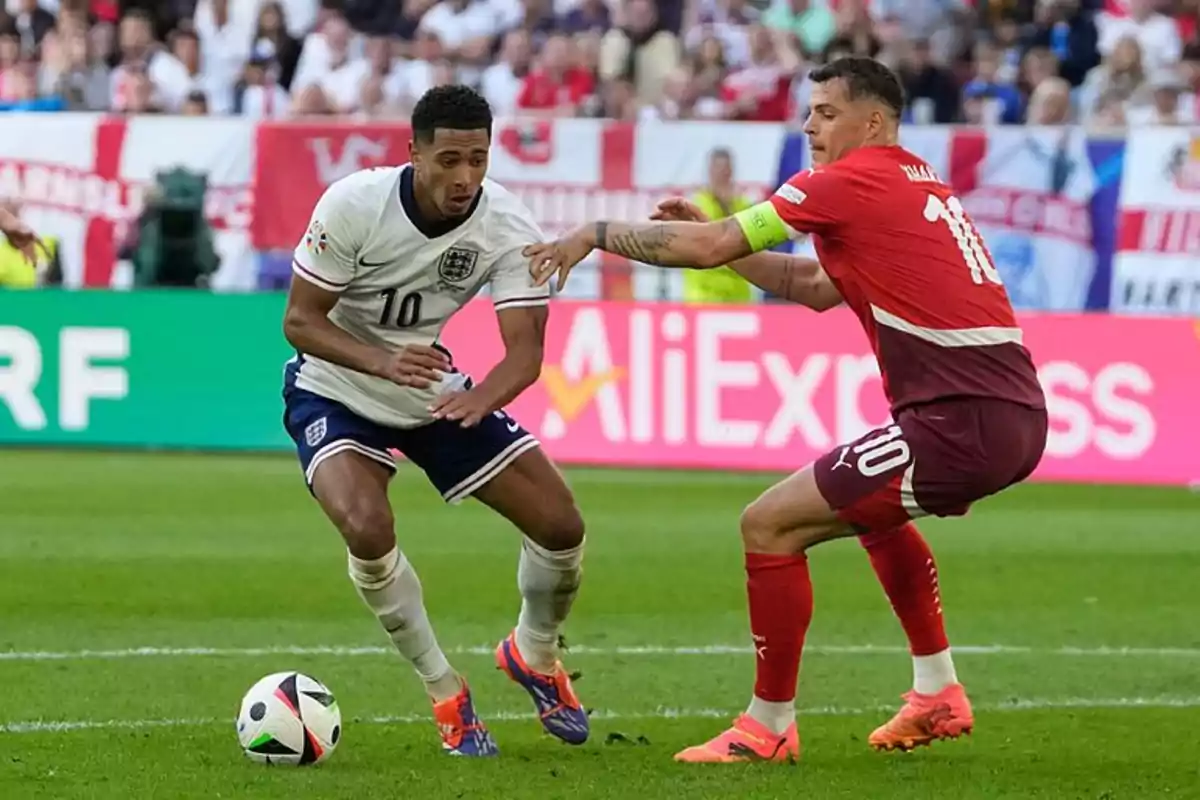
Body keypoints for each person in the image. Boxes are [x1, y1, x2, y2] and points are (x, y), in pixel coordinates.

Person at [525, 56, 1047, 763]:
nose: (810, 125)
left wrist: (593, 232)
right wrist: (726, 255)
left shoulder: (850, 180)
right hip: (1005, 412)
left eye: (827, 113)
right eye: (809, 112)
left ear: (873, 121)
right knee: (873, 514)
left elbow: (711, 242)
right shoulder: (912, 182)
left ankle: (767, 727)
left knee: (768, 525)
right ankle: (936, 691)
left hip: (962, 419)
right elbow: (812, 283)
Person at [281, 85, 589, 758]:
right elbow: (299, 322)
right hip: (334, 387)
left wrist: (485, 399)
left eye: (478, 159)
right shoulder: (353, 205)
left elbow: (526, 355)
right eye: (449, 159)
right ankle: (445, 689)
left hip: (431, 390)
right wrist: (381, 362)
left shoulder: (507, 224)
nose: (465, 177)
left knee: (562, 526)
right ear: (413, 152)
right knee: (366, 525)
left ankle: (533, 653)